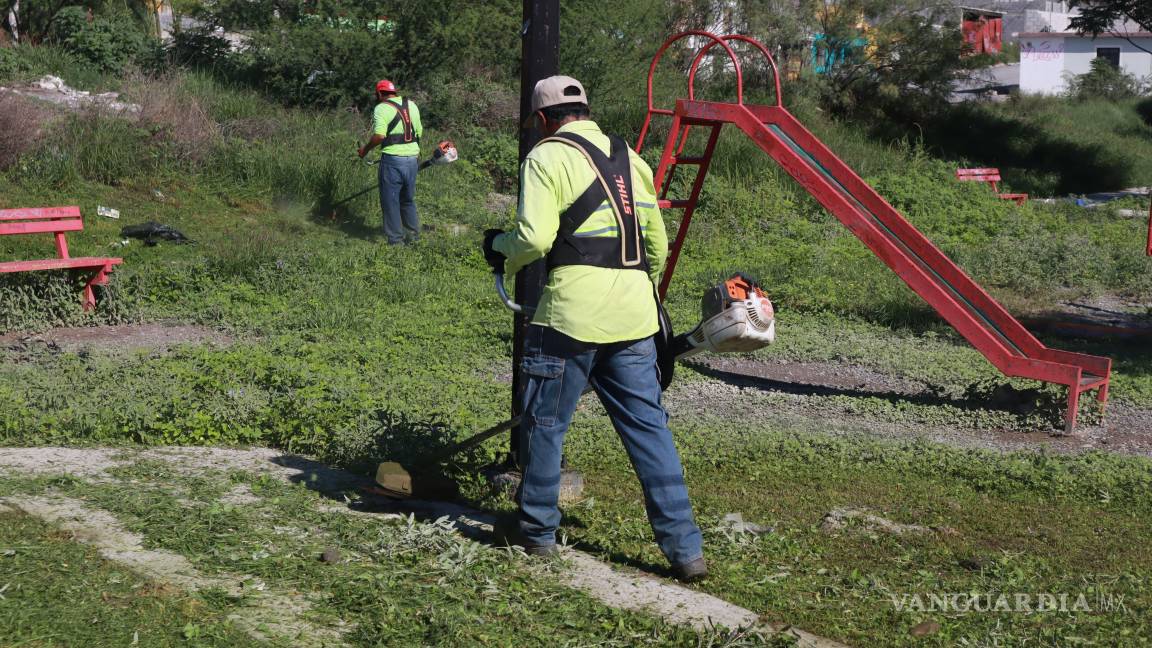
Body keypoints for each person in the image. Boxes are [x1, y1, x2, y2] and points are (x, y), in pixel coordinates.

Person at [482, 75, 706, 582]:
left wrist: (497, 249)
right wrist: (637, 291)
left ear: (544, 120)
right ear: (586, 111)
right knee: (649, 432)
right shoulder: (632, 158)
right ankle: (686, 550)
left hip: (570, 319)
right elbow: (656, 244)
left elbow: (534, 239)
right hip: (634, 318)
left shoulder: (546, 156)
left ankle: (536, 532)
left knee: (545, 426)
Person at [358, 79, 423, 245]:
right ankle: (414, 238)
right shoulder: (412, 105)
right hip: (412, 159)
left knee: (390, 201)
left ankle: (395, 242)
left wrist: (365, 150)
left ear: (380, 93)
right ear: (394, 92)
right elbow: (419, 132)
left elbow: (380, 136)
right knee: (407, 200)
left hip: (393, 161)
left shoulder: (381, 108)